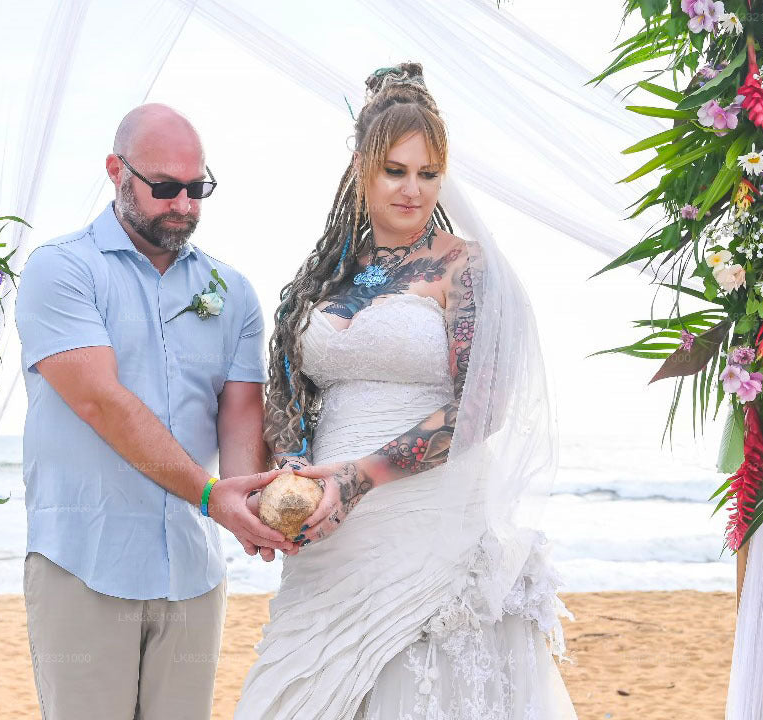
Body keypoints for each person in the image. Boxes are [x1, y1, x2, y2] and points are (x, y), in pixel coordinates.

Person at [236, 63, 578, 719]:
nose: (412, 189)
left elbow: (481, 409)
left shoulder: (465, 267)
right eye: (395, 170)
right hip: (329, 536)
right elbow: (288, 387)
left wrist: (357, 479)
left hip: (430, 524)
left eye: (428, 173)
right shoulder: (324, 274)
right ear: (361, 168)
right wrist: (290, 473)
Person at [15, 103, 294, 720]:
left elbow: (240, 415)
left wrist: (250, 506)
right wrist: (212, 496)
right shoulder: (60, 269)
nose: (184, 205)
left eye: (197, 189)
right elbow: (101, 402)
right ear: (116, 171)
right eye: (165, 188)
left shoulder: (233, 291)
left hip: (192, 570)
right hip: (84, 562)